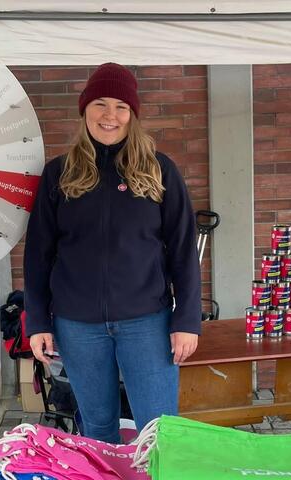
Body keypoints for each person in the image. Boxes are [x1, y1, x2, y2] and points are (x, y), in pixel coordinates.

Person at [23, 62, 202, 444]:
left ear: (132, 115)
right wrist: (37, 321)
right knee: (97, 428)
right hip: (77, 325)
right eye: (100, 104)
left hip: (147, 323)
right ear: (84, 109)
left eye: (121, 106)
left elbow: (184, 250)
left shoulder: (158, 170)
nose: (110, 115)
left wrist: (186, 319)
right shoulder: (59, 174)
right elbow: (38, 254)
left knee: (159, 430)